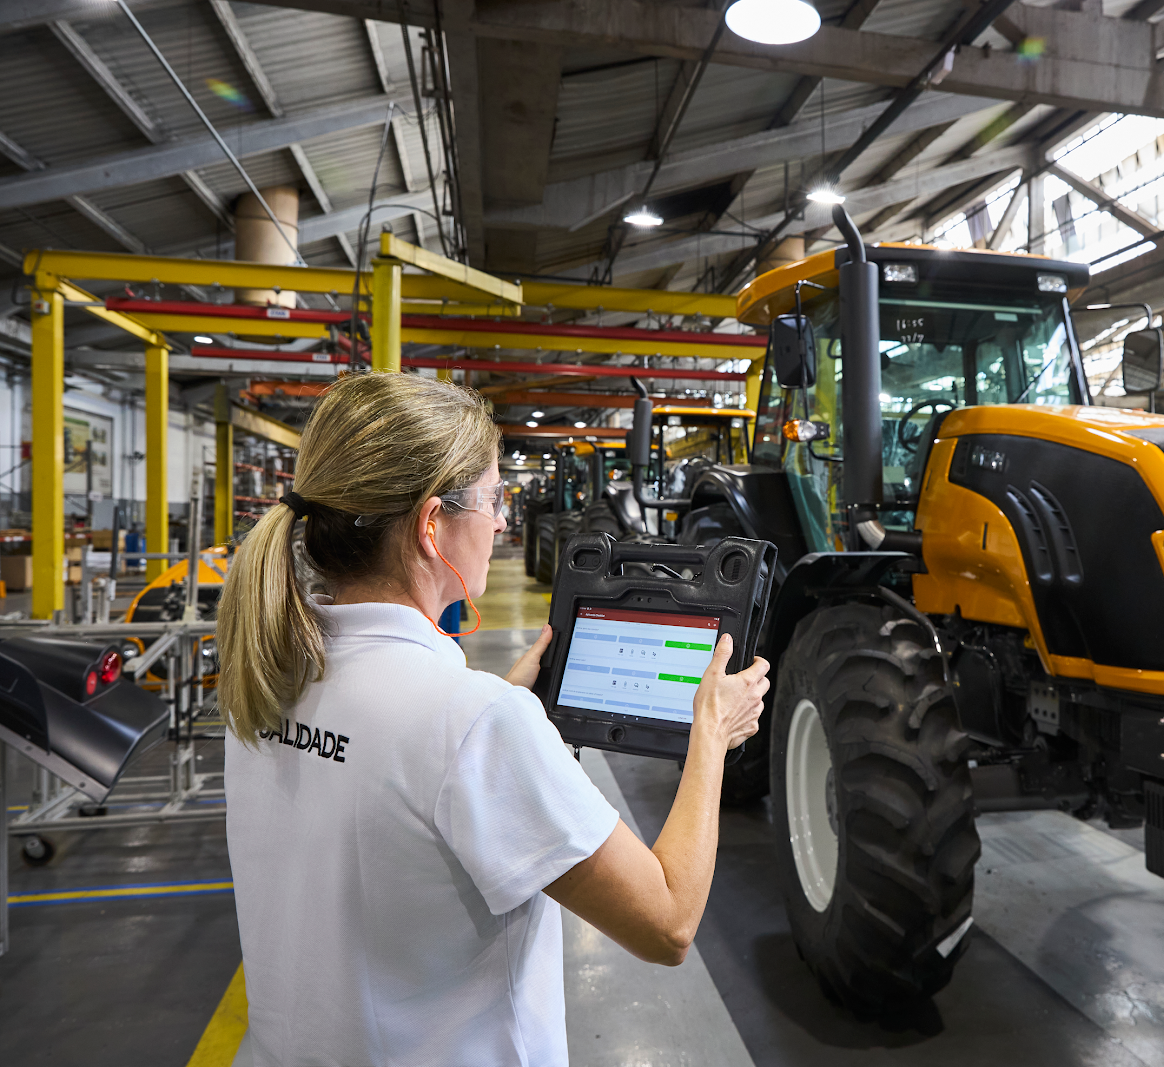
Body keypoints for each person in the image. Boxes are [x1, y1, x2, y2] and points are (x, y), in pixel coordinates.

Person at [216, 374, 768, 1066]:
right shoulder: (471, 722)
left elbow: (393, 767)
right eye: (492, 498)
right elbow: (669, 922)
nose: (503, 521)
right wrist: (712, 733)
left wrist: (497, 710)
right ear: (430, 524)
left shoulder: (266, 673)